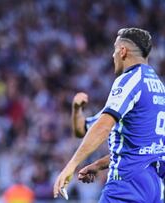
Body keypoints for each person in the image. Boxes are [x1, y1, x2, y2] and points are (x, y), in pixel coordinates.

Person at [54, 27, 165, 202]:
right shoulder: (158, 88)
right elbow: (82, 130)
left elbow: (103, 126)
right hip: (155, 186)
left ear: (123, 51)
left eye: (114, 49)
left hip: (127, 185)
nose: (112, 56)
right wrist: (77, 110)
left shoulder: (130, 80)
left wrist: (71, 166)